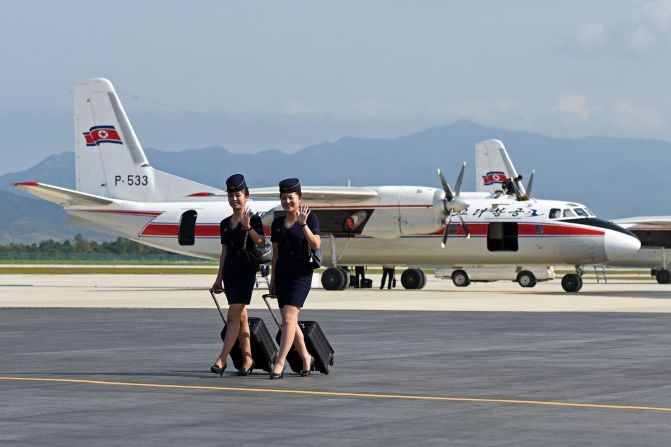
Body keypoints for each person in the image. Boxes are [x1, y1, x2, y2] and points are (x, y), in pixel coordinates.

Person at [210, 174, 265, 377]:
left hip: (246, 273)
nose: (234, 199)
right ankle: (248, 359)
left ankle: (222, 359)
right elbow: (224, 252)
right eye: (231, 195)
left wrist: (248, 227)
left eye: (238, 195)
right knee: (241, 319)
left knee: (232, 315)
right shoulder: (225, 223)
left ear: (246, 196)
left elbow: (261, 242)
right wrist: (218, 278)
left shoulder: (254, 218)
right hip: (230, 274)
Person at [269, 178, 321, 379]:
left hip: (301, 275)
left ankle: (280, 362)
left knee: (289, 317)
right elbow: (275, 254)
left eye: (291, 197)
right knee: (289, 320)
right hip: (282, 275)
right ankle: (307, 357)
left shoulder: (310, 218)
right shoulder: (277, 223)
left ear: (299, 198)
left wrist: (304, 225)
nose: (287, 202)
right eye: (283, 198)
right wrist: (273, 280)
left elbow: (315, 245)